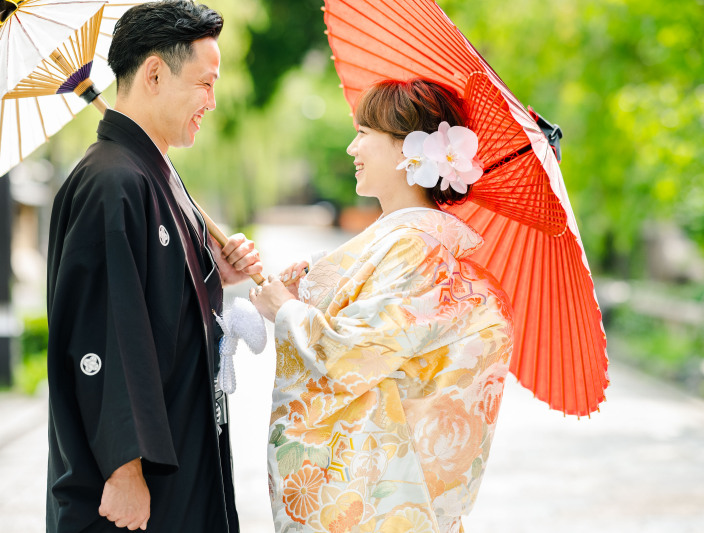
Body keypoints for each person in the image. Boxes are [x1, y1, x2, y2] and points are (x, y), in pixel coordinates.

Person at [249, 79, 514, 533]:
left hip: (378, 490)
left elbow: (353, 354)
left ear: (409, 150)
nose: (352, 147)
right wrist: (305, 290)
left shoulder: (413, 247)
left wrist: (287, 312)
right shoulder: (411, 242)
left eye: (364, 132)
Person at [46, 2, 261, 531]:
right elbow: (104, 330)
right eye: (205, 83)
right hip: (133, 484)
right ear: (155, 74)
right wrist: (124, 468)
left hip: (183, 445)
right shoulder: (111, 182)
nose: (212, 101)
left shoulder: (152, 172)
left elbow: (160, 299)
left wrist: (213, 271)